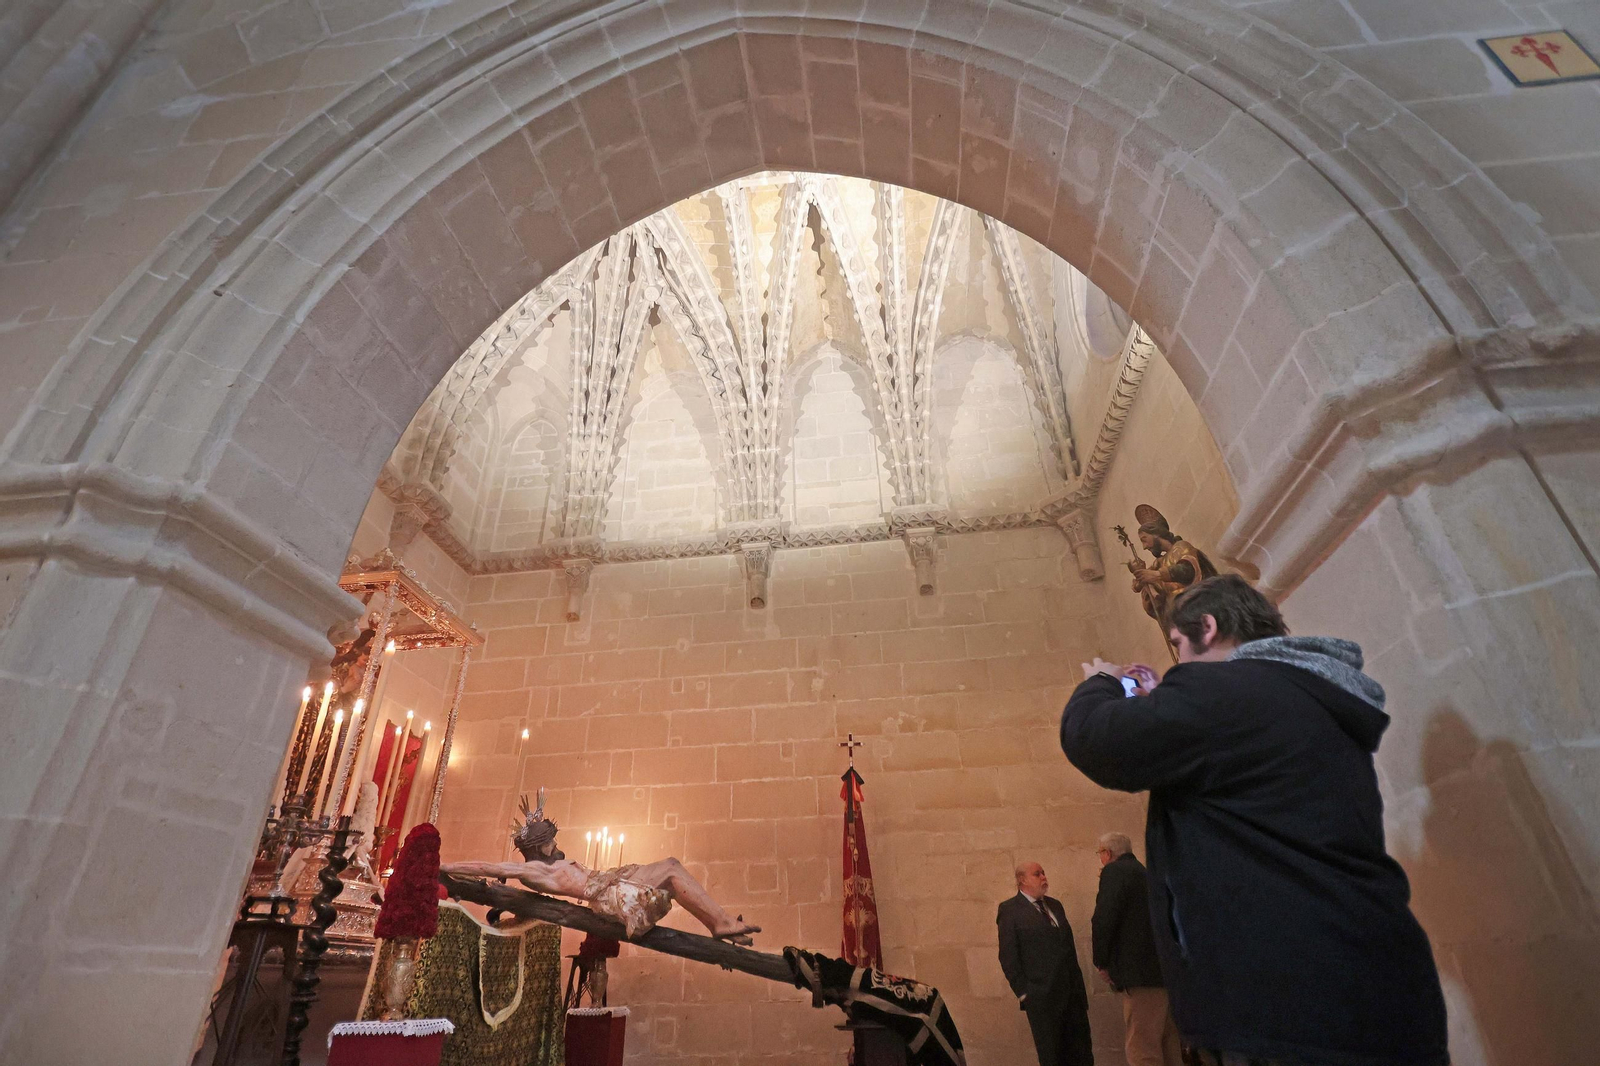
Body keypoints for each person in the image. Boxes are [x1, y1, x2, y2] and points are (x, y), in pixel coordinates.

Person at [1060, 575, 1449, 1066]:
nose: (1179, 662)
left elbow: (1096, 740)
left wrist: (1104, 682)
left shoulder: (1229, 693)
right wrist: (1169, 703)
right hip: (1365, 976)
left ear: (1208, 625)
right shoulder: (1302, 693)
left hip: (1289, 999)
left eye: (1179, 646)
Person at [441, 790, 760, 943]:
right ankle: (720, 923)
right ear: (538, 846)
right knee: (672, 872)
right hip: (608, 896)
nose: (554, 842)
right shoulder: (536, 871)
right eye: (548, 839)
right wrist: (447, 866)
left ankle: (722, 923)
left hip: (608, 880)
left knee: (671, 868)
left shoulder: (551, 861)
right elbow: (488, 865)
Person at [1091, 833, 1180, 1066]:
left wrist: (1102, 961)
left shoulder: (1114, 872)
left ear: (1107, 854)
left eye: (1100, 854)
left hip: (1140, 976)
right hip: (1163, 973)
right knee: (1169, 1046)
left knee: (1142, 1048)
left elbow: (1104, 919)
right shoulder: (1146, 874)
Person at [996, 861, 1094, 1066]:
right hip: (1042, 999)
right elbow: (1008, 955)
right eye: (1037, 874)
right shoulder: (1010, 910)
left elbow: (1068, 950)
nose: (1043, 877)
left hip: (1071, 997)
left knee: (1082, 1055)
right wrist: (1025, 993)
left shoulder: (1055, 905)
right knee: (1052, 1057)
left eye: (1043, 873)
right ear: (1022, 880)